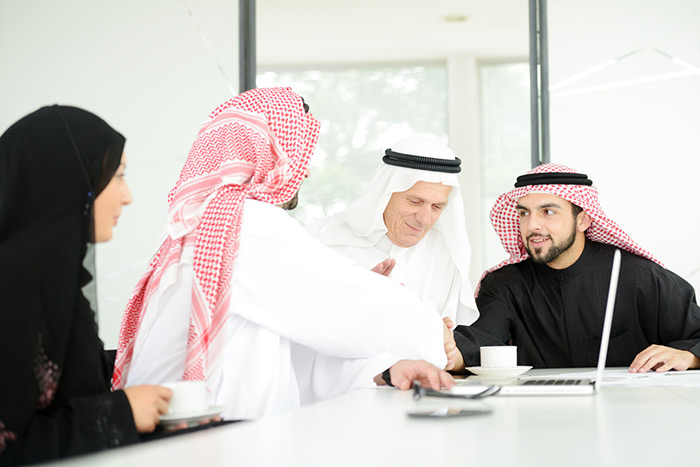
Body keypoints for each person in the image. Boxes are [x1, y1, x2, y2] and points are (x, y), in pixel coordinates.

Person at [113, 87, 454, 422]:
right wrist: (430, 328)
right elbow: (338, 299)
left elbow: (291, 341)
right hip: (202, 440)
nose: (303, 171)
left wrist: (386, 368)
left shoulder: (207, 220)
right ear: (271, 153)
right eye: (299, 154)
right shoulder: (246, 223)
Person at [0, 106, 172, 465]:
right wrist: (120, 413)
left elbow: (74, 378)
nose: (127, 197)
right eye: (118, 175)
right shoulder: (12, 292)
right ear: (70, 182)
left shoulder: (54, 284)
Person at [453, 163, 700, 373]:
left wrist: (689, 356)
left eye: (548, 212)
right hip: (540, 419)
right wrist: (447, 353)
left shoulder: (640, 276)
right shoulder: (505, 284)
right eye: (524, 213)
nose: (532, 225)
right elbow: (480, 343)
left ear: (583, 219)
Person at [308, 136, 478, 327]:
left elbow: (449, 338)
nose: (425, 219)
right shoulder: (321, 240)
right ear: (385, 194)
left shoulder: (447, 253)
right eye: (415, 202)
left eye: (437, 207)